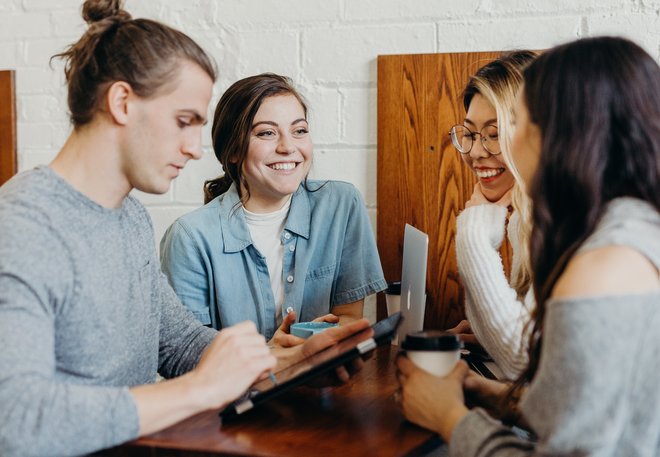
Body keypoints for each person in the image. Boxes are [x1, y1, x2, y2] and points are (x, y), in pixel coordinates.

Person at [0, 2, 369, 456]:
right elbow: (16, 421)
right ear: (122, 103)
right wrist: (200, 390)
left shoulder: (128, 217)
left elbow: (179, 343)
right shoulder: (22, 226)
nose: (196, 149)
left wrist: (289, 363)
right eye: (183, 121)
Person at [398, 36, 660, 456]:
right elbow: (589, 413)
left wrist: (450, 417)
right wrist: (499, 398)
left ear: (564, 135)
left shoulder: (603, 266)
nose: (489, 149)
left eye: (515, 123)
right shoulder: (627, 229)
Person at [160, 73, 387, 346]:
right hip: (240, 388)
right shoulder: (189, 237)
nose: (288, 147)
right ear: (232, 150)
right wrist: (274, 356)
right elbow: (189, 354)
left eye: (299, 130)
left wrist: (318, 340)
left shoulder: (341, 205)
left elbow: (349, 317)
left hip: (323, 382)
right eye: (266, 133)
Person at [448, 51, 536, 379]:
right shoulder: (524, 217)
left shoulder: (563, 220)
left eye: (494, 134)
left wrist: (473, 230)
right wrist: (487, 335)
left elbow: (523, 363)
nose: (475, 152)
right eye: (469, 134)